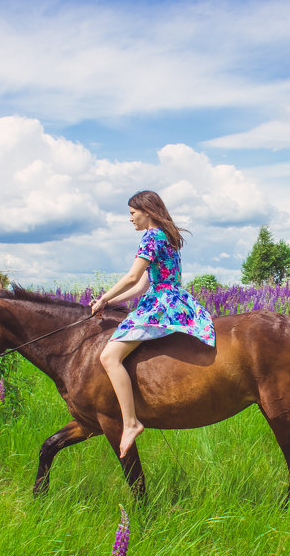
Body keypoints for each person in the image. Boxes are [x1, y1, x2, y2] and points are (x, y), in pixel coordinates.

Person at [89, 190, 216, 458]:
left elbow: (133, 276)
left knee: (109, 357)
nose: (130, 219)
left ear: (146, 211)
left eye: (132, 213)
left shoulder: (151, 236)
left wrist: (104, 298)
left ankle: (131, 422)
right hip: (175, 300)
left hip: (161, 305)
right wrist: (111, 304)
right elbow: (144, 284)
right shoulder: (167, 238)